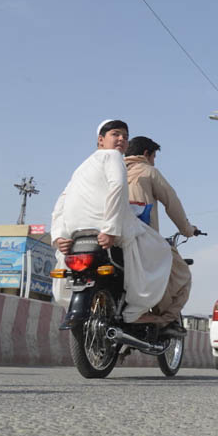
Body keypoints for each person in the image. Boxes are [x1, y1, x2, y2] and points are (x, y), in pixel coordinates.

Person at [51, 120, 172, 323]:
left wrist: (58, 237)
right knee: (162, 249)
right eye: (116, 134)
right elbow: (117, 187)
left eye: (125, 136)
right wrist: (110, 229)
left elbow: (61, 202)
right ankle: (135, 312)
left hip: (75, 233)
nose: (122, 139)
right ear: (101, 140)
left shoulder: (82, 167)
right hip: (106, 227)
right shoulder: (113, 157)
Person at [124, 136, 200, 336]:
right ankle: (164, 321)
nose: (154, 161)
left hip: (109, 239)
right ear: (146, 154)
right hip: (142, 240)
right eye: (154, 157)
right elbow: (172, 203)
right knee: (183, 276)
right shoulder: (149, 171)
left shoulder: (110, 173)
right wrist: (188, 230)